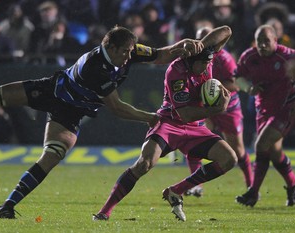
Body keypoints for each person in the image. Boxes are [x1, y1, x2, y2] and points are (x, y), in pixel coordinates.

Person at [0, 26, 200, 219]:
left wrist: (182, 46)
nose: (130, 57)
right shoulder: (95, 67)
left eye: (131, 51)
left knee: (54, 154)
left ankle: (8, 206)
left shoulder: (127, 49)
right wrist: (150, 117)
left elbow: (161, 54)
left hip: (70, 112)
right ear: (110, 47)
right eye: (126, 52)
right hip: (51, 91)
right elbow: (116, 107)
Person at [93, 25, 237, 222]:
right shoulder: (176, 72)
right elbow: (185, 114)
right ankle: (104, 211)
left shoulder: (204, 60)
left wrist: (200, 45)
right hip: (168, 124)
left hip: (195, 128)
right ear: (190, 61)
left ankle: (176, 191)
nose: (206, 67)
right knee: (144, 164)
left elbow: (226, 31)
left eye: (208, 62)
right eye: (203, 63)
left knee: (229, 159)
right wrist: (217, 109)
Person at [234, 25, 295, 207]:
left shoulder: (289, 56)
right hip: (262, 110)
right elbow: (238, 78)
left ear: (276, 41)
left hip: (286, 109)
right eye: (259, 42)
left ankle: (253, 192)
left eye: (267, 41)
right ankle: (293, 184)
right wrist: (248, 88)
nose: (262, 45)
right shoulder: (249, 57)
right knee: (274, 153)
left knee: (261, 144)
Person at [185, 26, 253, 197]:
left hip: (228, 107)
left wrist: (214, 86)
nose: (203, 44)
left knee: (237, 149)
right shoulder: (191, 58)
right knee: (195, 142)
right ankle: (196, 185)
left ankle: (251, 185)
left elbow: (235, 84)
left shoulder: (225, 58)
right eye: (200, 39)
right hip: (206, 107)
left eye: (206, 40)